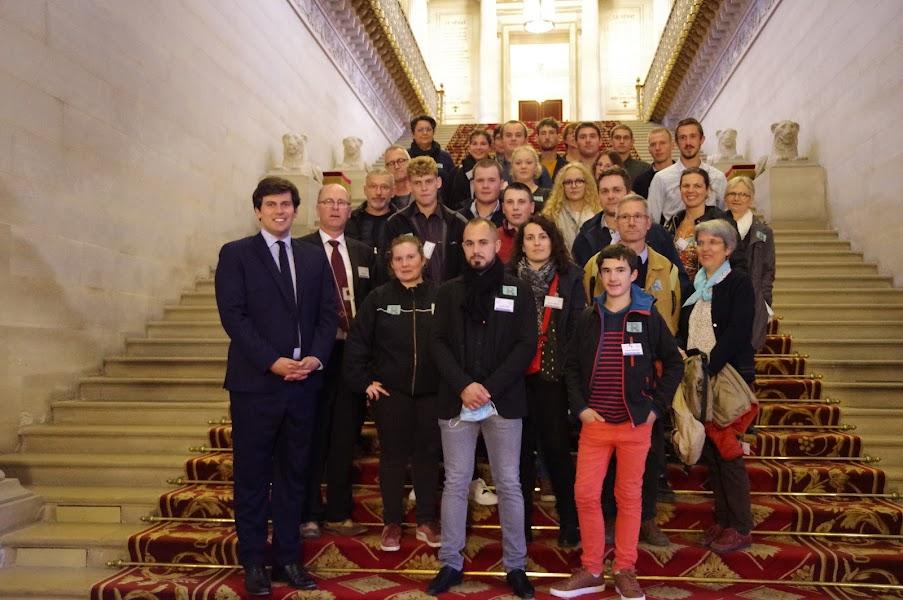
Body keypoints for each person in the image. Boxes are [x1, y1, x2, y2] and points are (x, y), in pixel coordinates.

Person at [215, 177, 338, 596]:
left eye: (286, 204)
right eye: (271, 205)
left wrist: (316, 357)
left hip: (303, 385)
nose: (280, 211)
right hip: (255, 386)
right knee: (252, 477)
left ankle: (287, 558)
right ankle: (253, 562)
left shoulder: (312, 257)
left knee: (294, 477)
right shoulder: (236, 255)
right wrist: (273, 361)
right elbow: (234, 317)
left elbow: (327, 315)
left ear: (296, 209)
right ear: (258, 211)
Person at [552, 244, 683, 600]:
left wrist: (655, 408)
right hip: (594, 424)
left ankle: (625, 568)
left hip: (635, 424)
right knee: (586, 494)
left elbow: (674, 364)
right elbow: (572, 369)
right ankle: (592, 568)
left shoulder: (649, 316)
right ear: (600, 277)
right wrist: (580, 407)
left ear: (633, 275)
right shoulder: (587, 317)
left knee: (628, 497)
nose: (613, 277)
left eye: (620, 271)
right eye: (607, 271)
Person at [427, 218, 537, 599]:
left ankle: (516, 566)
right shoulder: (447, 292)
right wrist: (464, 386)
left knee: (509, 484)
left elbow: (525, 346)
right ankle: (450, 563)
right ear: (463, 246)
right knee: (456, 483)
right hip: (456, 399)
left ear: (497, 247)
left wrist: (487, 388)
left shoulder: (518, 291)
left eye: (483, 243)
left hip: (502, 401)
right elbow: (437, 343)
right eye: (470, 243)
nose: (476, 250)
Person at [343, 235, 442, 552]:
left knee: (428, 457)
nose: (405, 264)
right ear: (390, 264)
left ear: (422, 260)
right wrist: (364, 382)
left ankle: (427, 520)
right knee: (393, 459)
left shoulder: (442, 296)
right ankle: (392, 523)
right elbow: (357, 344)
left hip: (432, 393)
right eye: (398, 259)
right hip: (391, 394)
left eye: (410, 257)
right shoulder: (378, 299)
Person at [300, 184, 376, 539]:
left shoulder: (363, 252)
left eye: (342, 202)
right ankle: (309, 513)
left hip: (352, 356)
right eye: (328, 202)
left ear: (349, 210)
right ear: (317, 208)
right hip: (314, 355)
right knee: (312, 435)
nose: (335, 208)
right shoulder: (300, 249)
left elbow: (372, 305)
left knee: (345, 435)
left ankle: (338, 512)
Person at [677, 219, 756, 554]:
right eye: (702, 242)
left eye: (714, 243)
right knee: (712, 454)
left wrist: (712, 365)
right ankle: (723, 520)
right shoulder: (697, 284)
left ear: (727, 249)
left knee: (729, 453)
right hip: (699, 379)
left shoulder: (737, 282)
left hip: (724, 378)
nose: (706, 248)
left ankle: (740, 526)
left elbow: (739, 330)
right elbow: (687, 330)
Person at [510, 215, 584, 550]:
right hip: (515, 379)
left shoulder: (570, 278)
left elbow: (579, 330)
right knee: (519, 456)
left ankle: (570, 523)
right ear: (521, 243)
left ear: (553, 240)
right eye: (529, 237)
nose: (537, 242)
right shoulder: (508, 279)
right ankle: (520, 526)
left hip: (554, 378)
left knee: (557, 452)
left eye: (543, 236)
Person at [583, 195, 682, 333]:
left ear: (648, 222)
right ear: (616, 223)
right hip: (609, 347)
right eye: (625, 217)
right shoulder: (594, 265)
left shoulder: (667, 268)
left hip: (653, 351)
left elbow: (673, 317)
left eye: (638, 216)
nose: (631, 222)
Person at [572, 167, 685, 279]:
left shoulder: (658, 234)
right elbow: (580, 284)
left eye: (616, 190)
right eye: (604, 191)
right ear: (598, 196)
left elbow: (678, 278)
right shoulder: (585, 237)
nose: (610, 196)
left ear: (629, 192)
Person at [382, 156, 468, 283]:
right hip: (410, 297)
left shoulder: (458, 222)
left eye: (428, 181)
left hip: (450, 297)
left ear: (438, 182)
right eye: (417, 183)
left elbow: (465, 266)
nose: (424, 188)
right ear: (410, 186)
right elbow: (388, 266)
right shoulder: (395, 223)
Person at [724, 176, 775, 351]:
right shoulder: (716, 225)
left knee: (747, 352)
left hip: (752, 299)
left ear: (751, 199)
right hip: (722, 296)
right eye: (732, 193)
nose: (737, 198)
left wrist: (765, 299)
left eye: (743, 195)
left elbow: (768, 269)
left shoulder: (764, 231)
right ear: (725, 198)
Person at [647, 118, 727, 224]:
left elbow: (724, 217)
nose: (688, 142)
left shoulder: (717, 177)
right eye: (683, 138)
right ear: (677, 142)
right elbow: (652, 220)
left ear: (702, 139)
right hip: (672, 237)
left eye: (693, 136)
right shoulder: (661, 178)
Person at [542, 161, 601, 252]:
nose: (574, 186)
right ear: (562, 186)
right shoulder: (551, 214)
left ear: (587, 184)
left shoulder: (597, 211)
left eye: (579, 181)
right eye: (568, 182)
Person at [346, 169, 396, 258]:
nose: (378, 192)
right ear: (365, 190)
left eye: (384, 187)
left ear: (393, 192)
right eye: (373, 186)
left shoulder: (401, 221)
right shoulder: (351, 220)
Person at [408, 114, 456, 201]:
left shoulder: (445, 157)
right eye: (420, 130)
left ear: (433, 132)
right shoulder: (406, 157)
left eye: (428, 129)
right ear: (413, 134)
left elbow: (453, 187)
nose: (425, 133)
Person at [498, 120, 553, 187]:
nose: (513, 139)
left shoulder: (539, 169)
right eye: (508, 135)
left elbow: (550, 196)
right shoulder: (495, 168)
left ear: (526, 140)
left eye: (518, 135)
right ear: (501, 140)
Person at [448, 128, 493, 211]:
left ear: (490, 147)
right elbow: (453, 202)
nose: (478, 147)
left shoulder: (496, 170)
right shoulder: (457, 172)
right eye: (474, 144)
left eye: (483, 144)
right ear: (469, 147)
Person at [632, 127, 676, 200]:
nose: (658, 148)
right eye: (653, 144)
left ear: (672, 145)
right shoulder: (640, 182)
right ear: (649, 149)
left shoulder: (685, 176)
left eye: (662, 143)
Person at [459, 158, 505, 226]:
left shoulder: (509, 217)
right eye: (480, 180)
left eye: (491, 180)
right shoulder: (457, 218)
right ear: (473, 184)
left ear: (501, 184)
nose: (485, 186)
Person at [498, 182, 536, 263]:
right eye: (510, 202)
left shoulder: (545, 237)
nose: (515, 207)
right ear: (503, 208)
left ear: (532, 207)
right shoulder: (493, 237)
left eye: (521, 202)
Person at [383, 145, 412, 210]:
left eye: (401, 161)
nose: (396, 166)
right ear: (386, 168)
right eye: (391, 163)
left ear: (410, 162)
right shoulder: (382, 196)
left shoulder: (425, 190)